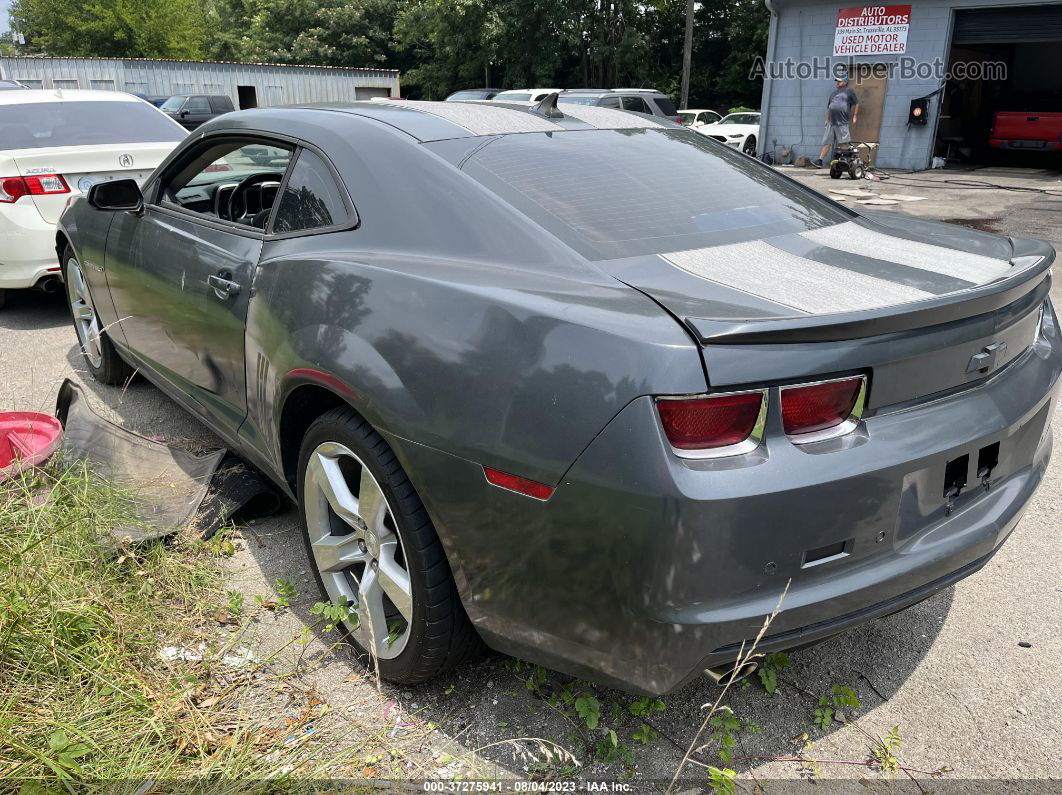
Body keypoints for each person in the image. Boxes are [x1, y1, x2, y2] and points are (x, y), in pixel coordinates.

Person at [814, 75, 859, 168]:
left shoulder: (849, 92)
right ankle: (820, 161)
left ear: (845, 83)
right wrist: (827, 119)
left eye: (839, 81)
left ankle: (844, 161)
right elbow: (829, 107)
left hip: (842, 122)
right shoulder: (833, 93)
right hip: (831, 122)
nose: (837, 83)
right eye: (837, 81)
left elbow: (856, 103)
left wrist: (854, 115)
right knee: (827, 142)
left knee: (843, 142)